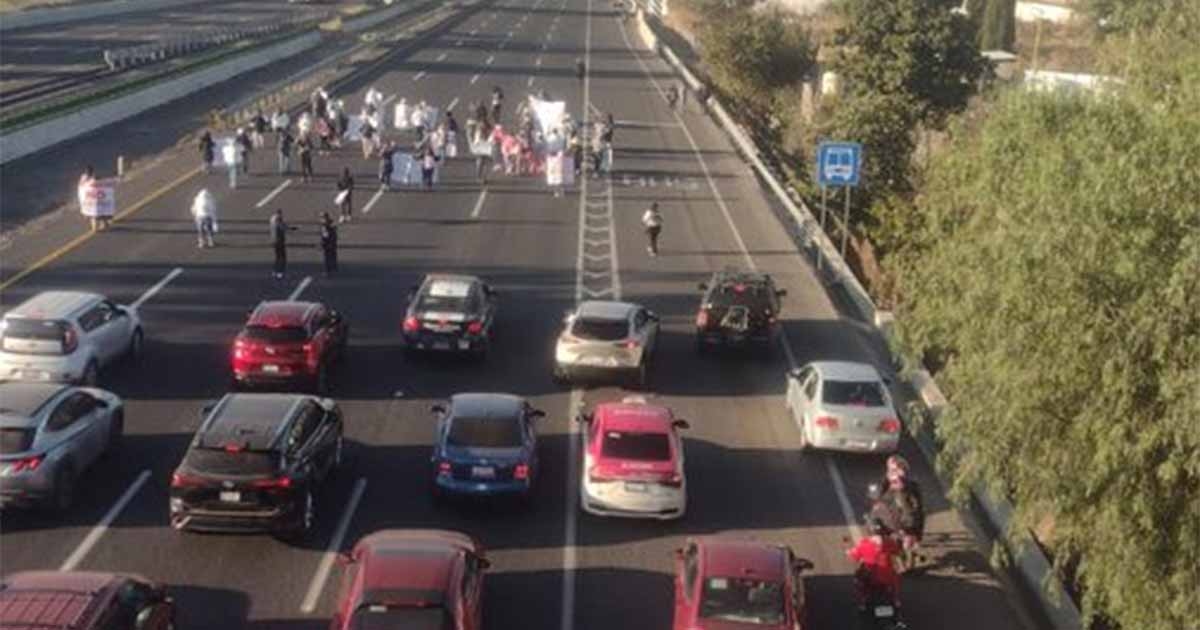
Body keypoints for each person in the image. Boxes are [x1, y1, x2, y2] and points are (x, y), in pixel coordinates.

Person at [847, 518, 903, 608]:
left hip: (870, 577)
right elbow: (897, 552)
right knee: (895, 577)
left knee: (858, 579)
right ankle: (896, 600)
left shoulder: (864, 543)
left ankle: (863, 601)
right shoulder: (889, 542)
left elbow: (855, 555)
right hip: (887, 577)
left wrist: (849, 552)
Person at [269, 209, 296, 280]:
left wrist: (290, 228)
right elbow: (283, 228)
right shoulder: (278, 221)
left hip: (275, 241)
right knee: (282, 257)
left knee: (278, 257)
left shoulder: (273, 220)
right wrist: (291, 228)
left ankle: (275, 271)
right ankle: (280, 272)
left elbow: (283, 226)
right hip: (279, 241)